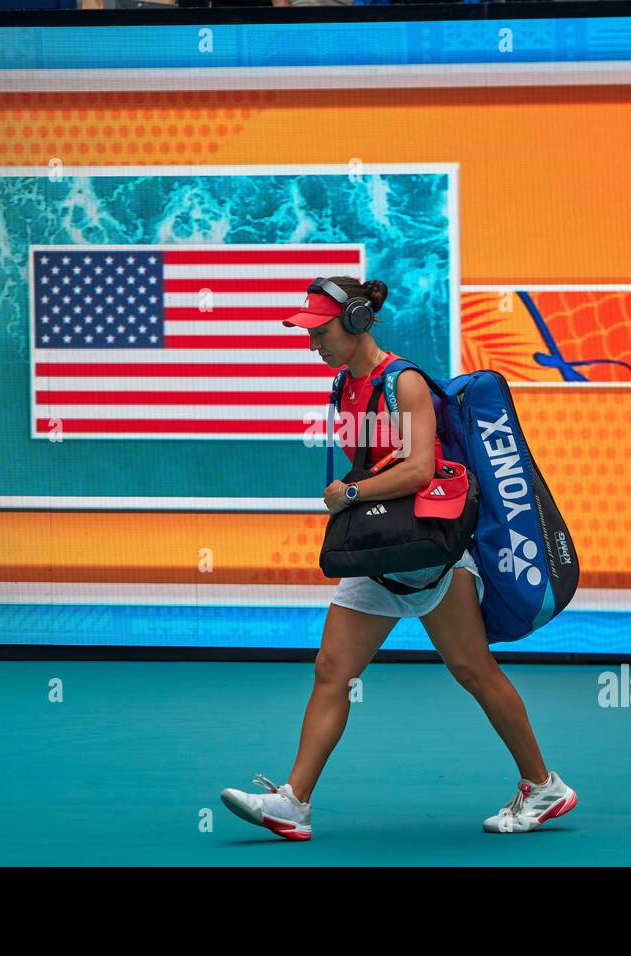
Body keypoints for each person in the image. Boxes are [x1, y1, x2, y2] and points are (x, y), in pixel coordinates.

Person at [220, 276, 577, 838]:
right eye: (308, 333)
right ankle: (293, 804)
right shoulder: (344, 387)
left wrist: (352, 494)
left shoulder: (402, 381)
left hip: (430, 555)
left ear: (357, 323)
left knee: (473, 671)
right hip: (380, 552)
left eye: (321, 331)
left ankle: (543, 785)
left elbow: (418, 469)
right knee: (332, 671)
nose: (313, 343)